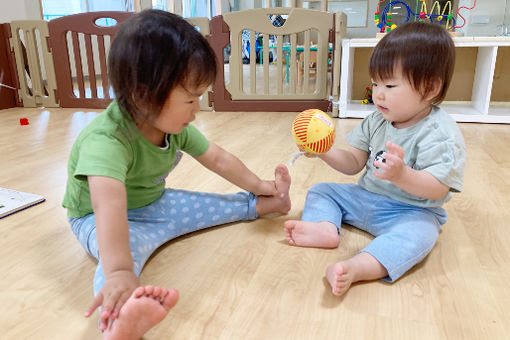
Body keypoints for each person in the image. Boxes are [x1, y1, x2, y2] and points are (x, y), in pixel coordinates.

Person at [62, 9, 291, 339]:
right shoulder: (106, 141)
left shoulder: (172, 125)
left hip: (154, 204)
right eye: (190, 98)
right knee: (120, 266)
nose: (197, 108)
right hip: (97, 219)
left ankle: (265, 204)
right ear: (144, 94)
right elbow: (109, 208)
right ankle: (119, 319)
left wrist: (262, 186)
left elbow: (219, 159)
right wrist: (120, 270)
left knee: (212, 206)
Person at [284, 21, 465, 297]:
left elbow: (438, 187)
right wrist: (324, 152)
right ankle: (324, 228)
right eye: (375, 82)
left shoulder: (441, 134)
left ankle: (359, 266)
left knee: (420, 235)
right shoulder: (376, 120)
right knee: (322, 190)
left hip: (412, 211)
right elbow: (353, 163)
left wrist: (402, 175)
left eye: (390, 85)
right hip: (365, 197)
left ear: (429, 89)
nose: (378, 93)